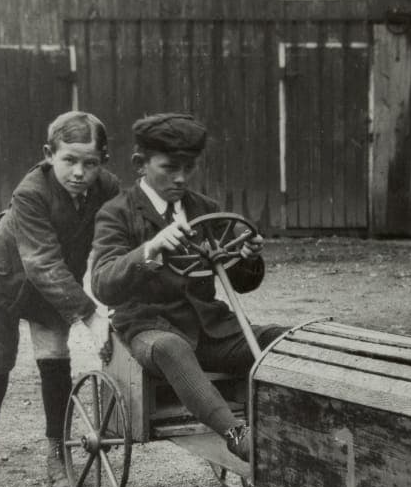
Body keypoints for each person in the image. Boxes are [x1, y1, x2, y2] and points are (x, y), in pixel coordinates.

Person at [91, 112, 287, 462]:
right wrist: (151, 249)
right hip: (148, 325)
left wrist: (247, 256)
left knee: (280, 339)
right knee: (171, 348)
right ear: (141, 163)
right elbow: (104, 285)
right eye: (169, 168)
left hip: (210, 329)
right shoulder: (117, 213)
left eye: (189, 167)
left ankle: (289, 428)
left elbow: (242, 283)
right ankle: (237, 434)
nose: (181, 178)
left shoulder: (205, 209)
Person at [0, 111, 119, 487]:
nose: (78, 172)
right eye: (68, 160)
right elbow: (41, 263)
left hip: (53, 285)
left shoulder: (108, 189)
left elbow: (117, 240)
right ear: (48, 154)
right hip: (4, 279)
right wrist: (90, 314)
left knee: (54, 357)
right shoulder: (30, 192)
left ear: (103, 161)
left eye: (90, 163)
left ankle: (58, 451)